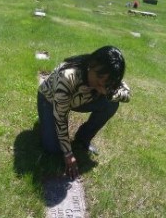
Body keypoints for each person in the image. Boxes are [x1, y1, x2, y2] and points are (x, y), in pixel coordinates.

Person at [37, 46, 131, 180]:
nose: (102, 88)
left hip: (77, 101)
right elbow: (61, 118)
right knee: (53, 149)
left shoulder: (107, 75)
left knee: (112, 103)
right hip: (50, 100)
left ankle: (82, 139)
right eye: (99, 81)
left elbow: (127, 94)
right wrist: (68, 154)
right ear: (92, 65)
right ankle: (45, 120)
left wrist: (110, 93)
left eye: (106, 84)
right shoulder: (68, 76)